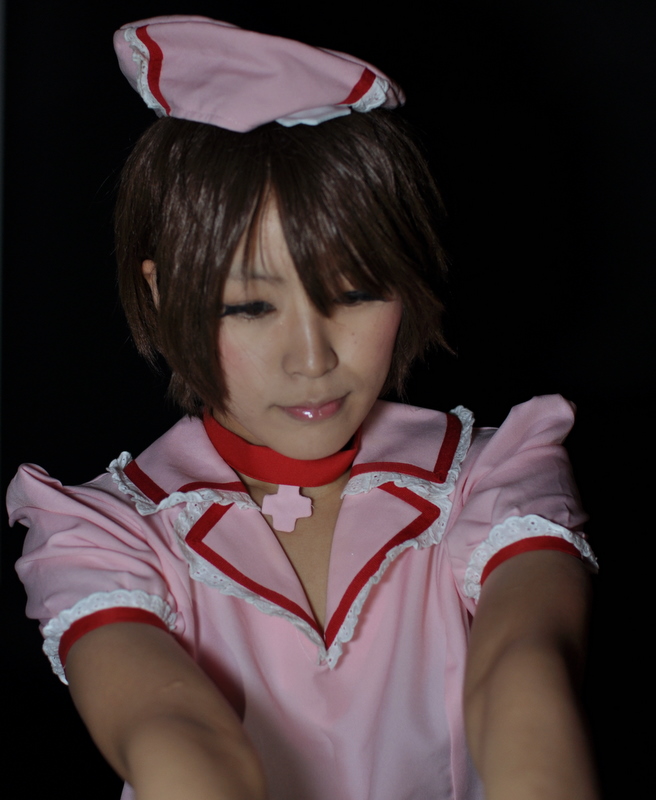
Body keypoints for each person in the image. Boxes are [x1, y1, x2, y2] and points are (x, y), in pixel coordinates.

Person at [7, 15, 599, 800]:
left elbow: (523, 675)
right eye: (251, 306)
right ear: (163, 292)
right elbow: (175, 739)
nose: (312, 359)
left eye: (355, 294)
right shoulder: (107, 534)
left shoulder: (491, 479)